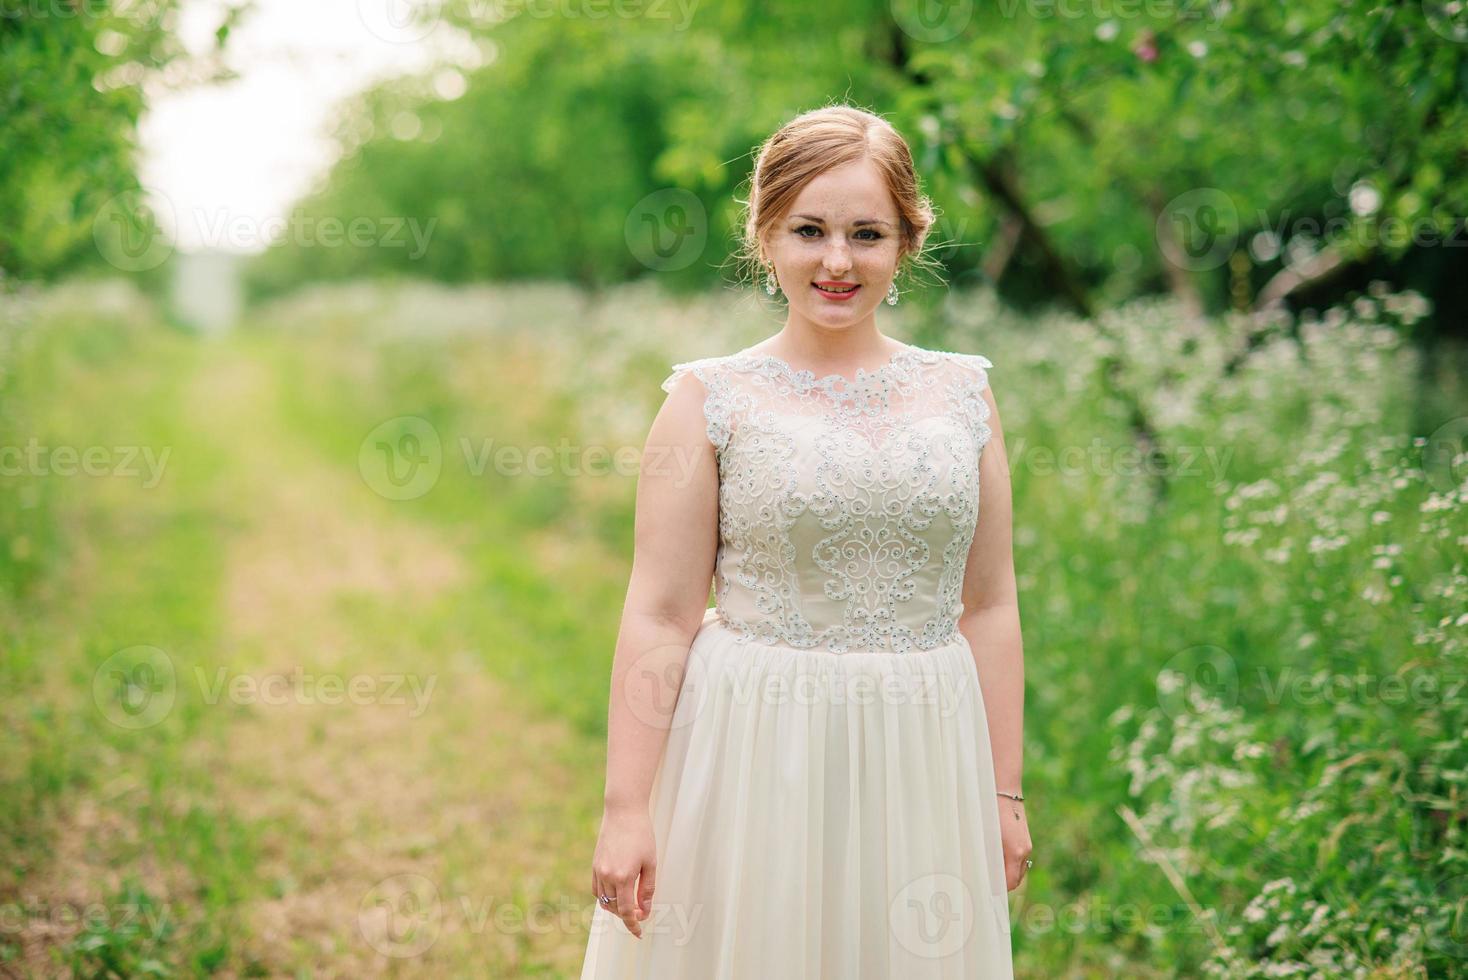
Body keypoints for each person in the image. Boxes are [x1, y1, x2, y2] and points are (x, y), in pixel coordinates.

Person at [580, 103, 1030, 979]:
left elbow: (992, 605)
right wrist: (626, 807)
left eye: (867, 233)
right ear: (765, 236)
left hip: (925, 747)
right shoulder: (709, 399)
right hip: (755, 743)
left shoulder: (962, 396)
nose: (837, 261)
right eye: (810, 230)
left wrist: (1003, 791)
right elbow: (661, 615)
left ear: (906, 239)